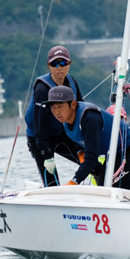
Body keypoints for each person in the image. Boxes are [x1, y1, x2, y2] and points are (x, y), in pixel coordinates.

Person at [46, 86, 130, 191]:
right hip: (112, 154)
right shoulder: (64, 120)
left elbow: (91, 157)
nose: (56, 112)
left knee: (114, 189)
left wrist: (74, 181)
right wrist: (80, 153)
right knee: (102, 188)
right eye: (52, 107)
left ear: (73, 104)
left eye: (60, 106)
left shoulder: (90, 118)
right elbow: (78, 140)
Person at [24, 45, 84, 187]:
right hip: (40, 137)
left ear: (69, 64)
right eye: (54, 64)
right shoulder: (42, 89)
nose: (59, 68)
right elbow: (39, 127)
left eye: (63, 63)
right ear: (48, 66)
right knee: (52, 184)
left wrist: (85, 144)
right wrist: (47, 155)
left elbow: (81, 111)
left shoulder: (72, 82)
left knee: (93, 165)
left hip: (62, 133)